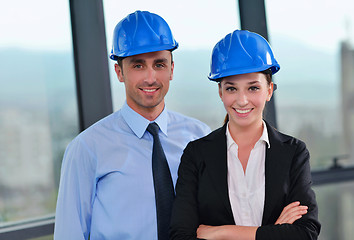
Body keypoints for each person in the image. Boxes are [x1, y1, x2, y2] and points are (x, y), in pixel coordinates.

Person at [54, 10, 210, 240]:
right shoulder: (86, 148)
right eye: (138, 66)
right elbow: (70, 234)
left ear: (172, 69)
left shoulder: (199, 136)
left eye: (159, 64)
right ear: (119, 72)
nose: (150, 77)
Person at [169, 30, 321, 240]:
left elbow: (305, 233)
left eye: (253, 88)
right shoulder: (197, 154)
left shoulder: (293, 153)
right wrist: (274, 231)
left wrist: (220, 232)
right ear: (220, 92)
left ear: (269, 90)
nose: (242, 100)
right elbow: (180, 236)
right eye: (231, 89)